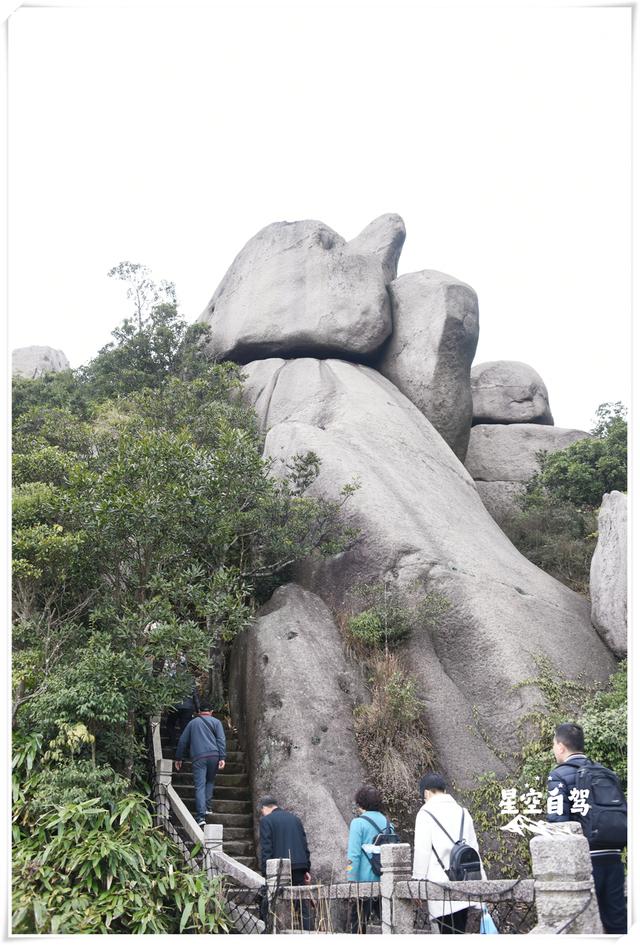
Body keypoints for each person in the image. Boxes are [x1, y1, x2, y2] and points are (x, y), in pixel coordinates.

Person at [546, 722, 627, 934]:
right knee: (617, 923)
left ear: (561, 746)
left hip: (584, 862)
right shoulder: (606, 773)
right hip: (614, 858)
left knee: (580, 925)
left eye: (554, 744)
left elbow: (558, 822)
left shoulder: (559, 776)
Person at [412, 772, 485, 934]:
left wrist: (417, 884)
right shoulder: (463, 812)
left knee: (447, 931)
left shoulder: (425, 813)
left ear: (426, 792)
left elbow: (422, 851)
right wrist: (482, 885)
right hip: (465, 883)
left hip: (441, 885)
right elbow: (474, 849)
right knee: (458, 931)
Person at [259, 797, 312, 930]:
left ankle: (272, 932)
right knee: (302, 905)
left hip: (278, 869)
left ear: (264, 808)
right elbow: (304, 845)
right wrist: (307, 869)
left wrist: (265, 872)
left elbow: (266, 848)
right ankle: (309, 933)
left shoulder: (266, 821)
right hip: (299, 867)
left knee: (273, 904)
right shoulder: (295, 819)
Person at [174, 702, 226, 827]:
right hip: (214, 755)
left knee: (200, 786)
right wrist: (222, 757)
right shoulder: (216, 722)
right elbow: (221, 739)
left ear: (198, 712)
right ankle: (208, 807)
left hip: (199, 757)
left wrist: (178, 758)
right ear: (211, 711)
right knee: (210, 782)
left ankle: (201, 816)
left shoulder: (192, 723)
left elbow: (182, 740)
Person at [346, 785, 389, 933]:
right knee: (388, 923)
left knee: (358, 924)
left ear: (361, 802)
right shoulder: (388, 823)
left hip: (364, 882)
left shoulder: (358, 823)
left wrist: (351, 878)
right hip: (385, 882)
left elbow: (353, 855)